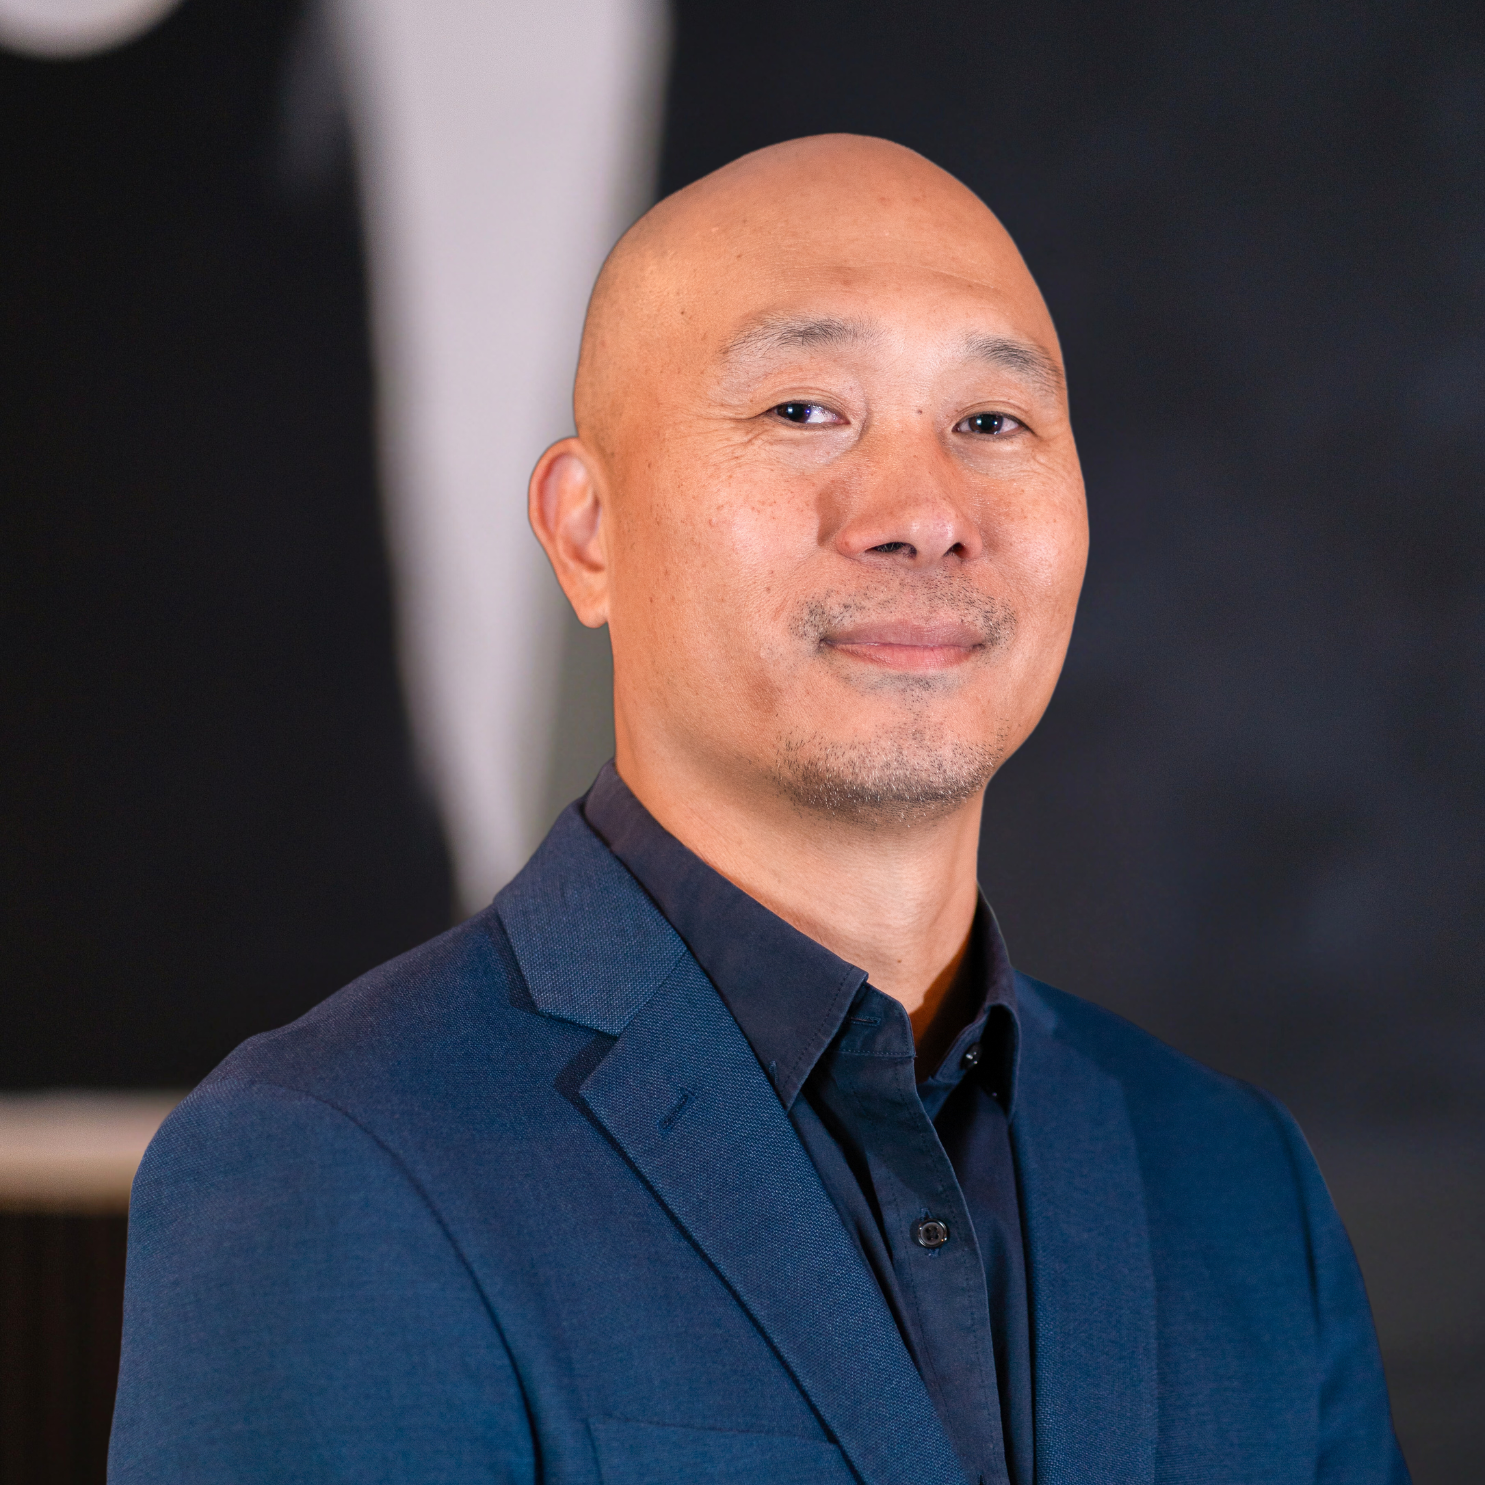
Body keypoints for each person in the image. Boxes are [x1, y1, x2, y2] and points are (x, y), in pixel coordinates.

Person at [109, 135, 1408, 1485]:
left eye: (991, 422)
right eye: (803, 410)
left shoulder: (1237, 1187)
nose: (924, 514)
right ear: (587, 531)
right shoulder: (337, 1164)